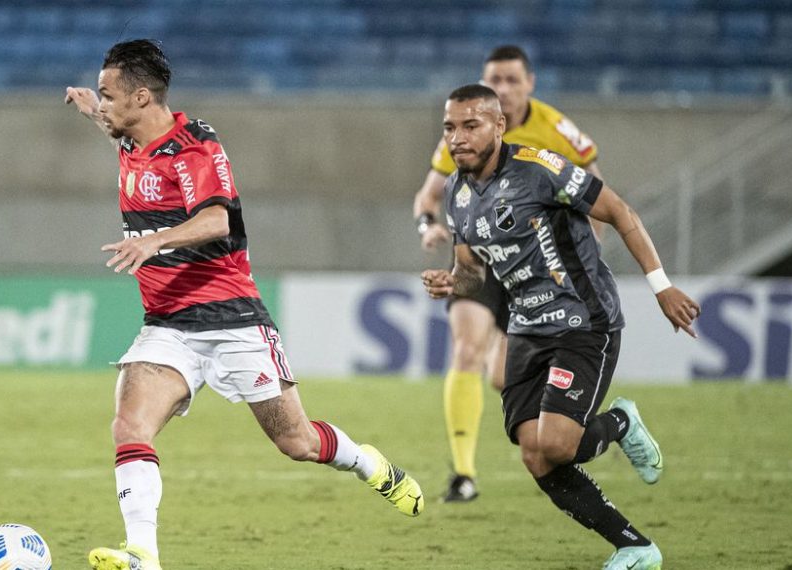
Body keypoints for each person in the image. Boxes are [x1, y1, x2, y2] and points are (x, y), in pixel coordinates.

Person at [65, 39, 424, 570]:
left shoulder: (194, 147)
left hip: (233, 320)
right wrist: (92, 108)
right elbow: (114, 124)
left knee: (296, 441)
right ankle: (143, 553)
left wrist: (153, 240)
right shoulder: (130, 136)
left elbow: (217, 221)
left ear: (141, 97)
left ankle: (369, 464)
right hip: (167, 324)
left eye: (108, 94)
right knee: (129, 424)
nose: (104, 104)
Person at [421, 84, 699, 570]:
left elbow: (619, 212)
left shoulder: (540, 168)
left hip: (583, 321)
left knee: (556, 444)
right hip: (525, 328)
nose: (457, 138)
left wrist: (662, 287)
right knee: (535, 455)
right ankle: (635, 546)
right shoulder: (456, 192)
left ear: (498, 125)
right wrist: (452, 282)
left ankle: (620, 422)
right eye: (450, 127)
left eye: (470, 125)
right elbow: (471, 270)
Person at [412, 45, 606, 502]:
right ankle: (463, 475)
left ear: (529, 84)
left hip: (538, 268)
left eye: (512, 80)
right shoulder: (462, 134)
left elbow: (596, 188)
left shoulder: (556, 128)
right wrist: (428, 227)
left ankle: (567, 431)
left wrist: (588, 251)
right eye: (494, 80)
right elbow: (428, 196)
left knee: (501, 377)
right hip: (477, 259)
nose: (503, 88)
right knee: (464, 348)